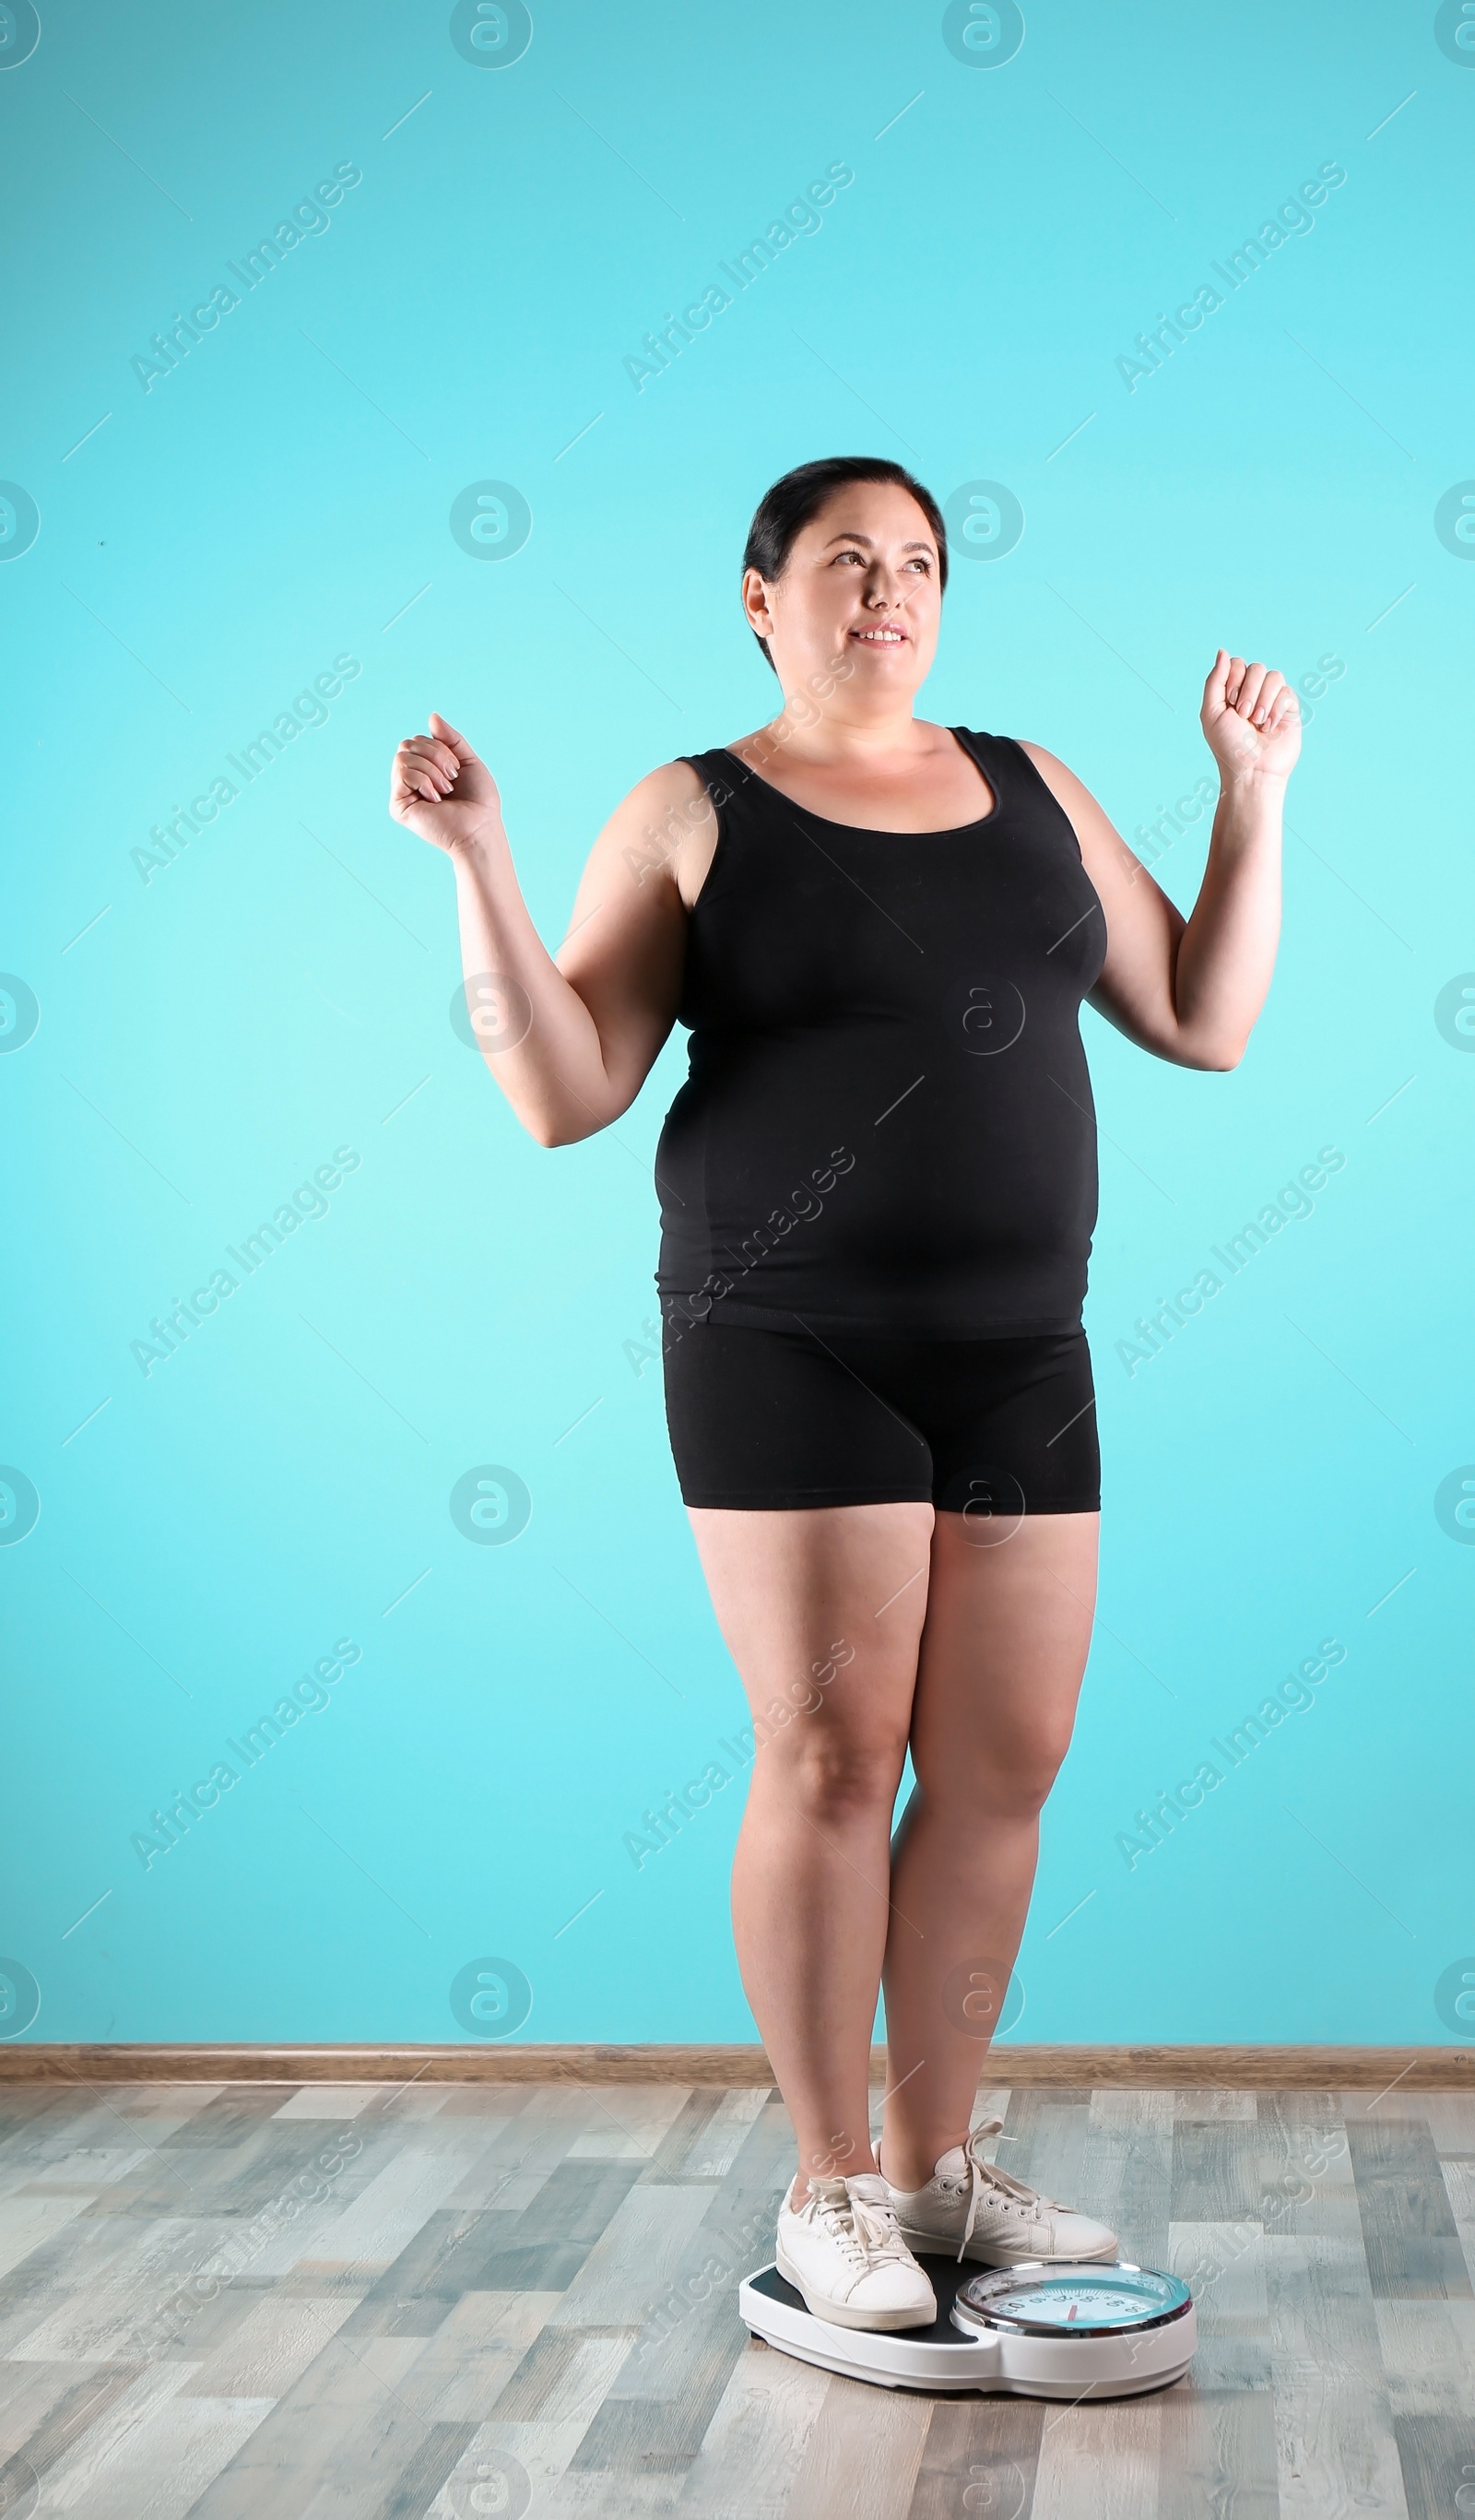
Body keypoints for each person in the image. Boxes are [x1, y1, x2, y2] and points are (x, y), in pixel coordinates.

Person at [389, 455, 1300, 2334]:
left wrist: (1252, 796)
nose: (884, 591)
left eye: (914, 564)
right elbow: (565, 1090)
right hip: (781, 1334)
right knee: (826, 1755)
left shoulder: (1032, 782)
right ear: (757, 594)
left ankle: (930, 2167)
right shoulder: (687, 809)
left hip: (1018, 1346)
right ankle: (823, 2188)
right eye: (841, 562)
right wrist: (478, 868)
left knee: (998, 1769)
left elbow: (1202, 1014)